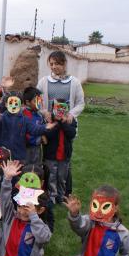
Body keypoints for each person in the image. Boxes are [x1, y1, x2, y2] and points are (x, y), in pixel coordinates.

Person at [36, 50, 85, 195]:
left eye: (57, 63)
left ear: (64, 64)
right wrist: (44, 112)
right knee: (49, 158)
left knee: (65, 158)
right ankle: (50, 192)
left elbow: (81, 104)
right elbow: (37, 102)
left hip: (66, 125)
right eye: (51, 64)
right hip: (50, 126)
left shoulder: (74, 82)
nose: (53, 67)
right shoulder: (44, 81)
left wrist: (71, 114)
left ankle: (63, 192)